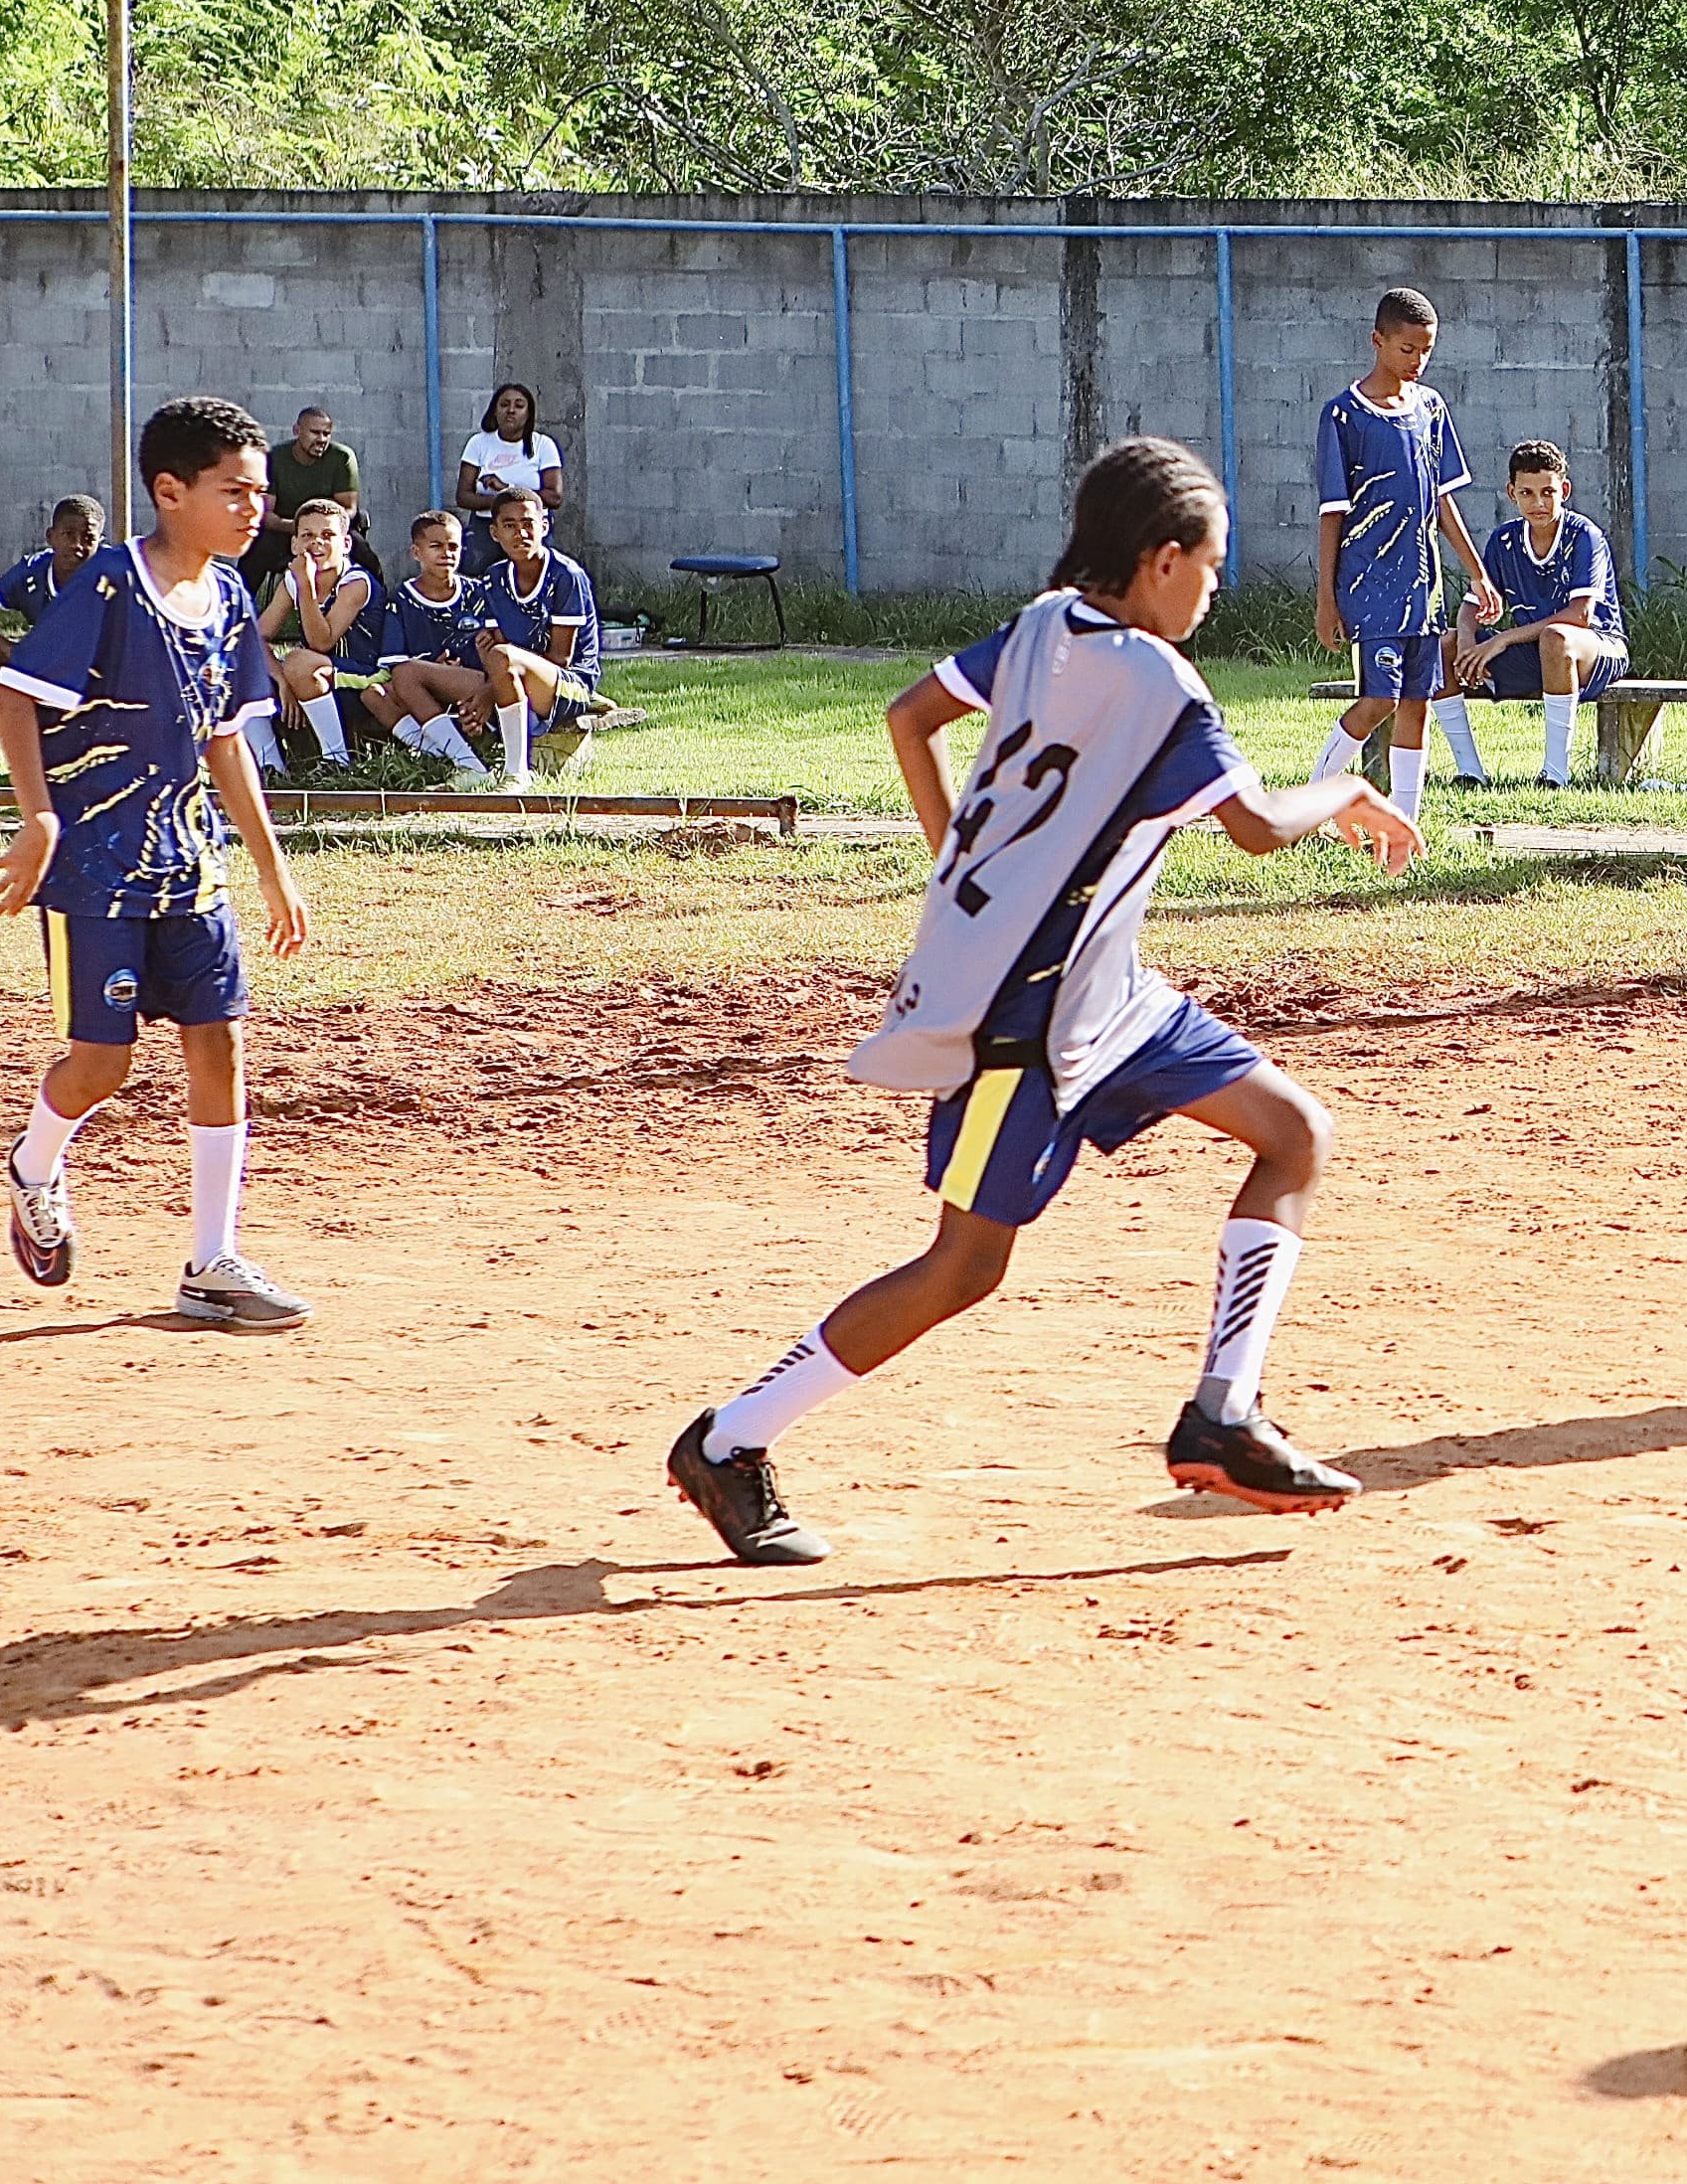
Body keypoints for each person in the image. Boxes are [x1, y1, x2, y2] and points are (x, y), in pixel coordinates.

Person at [665, 437, 1421, 1566]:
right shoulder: (1163, 683)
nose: (1215, 591)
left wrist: (958, 871)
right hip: (1022, 1015)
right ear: (1162, 562)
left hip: (1107, 992)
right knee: (964, 1266)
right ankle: (728, 1441)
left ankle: (1225, 1412)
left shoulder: (1036, 630)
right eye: (1210, 568)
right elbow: (1258, 829)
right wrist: (1355, 789)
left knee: (1293, 1133)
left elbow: (910, 716)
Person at [0, 396, 315, 1330]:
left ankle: (213, 1262)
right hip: (96, 871)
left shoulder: (236, 597)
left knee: (221, 1041)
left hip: (189, 863)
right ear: (170, 492)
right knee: (102, 1067)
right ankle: (34, 1164)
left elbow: (224, 741)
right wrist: (39, 819)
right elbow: (13, 695)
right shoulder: (114, 585)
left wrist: (273, 867)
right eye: (235, 491)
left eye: (262, 492)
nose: (256, 509)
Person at [1308, 288, 1497, 827]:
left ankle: (1405, 825)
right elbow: (1332, 512)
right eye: (1408, 349)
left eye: (1427, 351)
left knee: (1418, 701)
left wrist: (1478, 574)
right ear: (1379, 341)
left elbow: (1443, 501)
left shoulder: (1431, 409)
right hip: (1368, 586)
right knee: (1380, 701)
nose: (1417, 361)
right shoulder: (1344, 417)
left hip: (1423, 585)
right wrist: (1327, 599)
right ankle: (1312, 802)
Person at [1452, 440, 1627, 789]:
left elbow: (1580, 615)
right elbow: (1473, 603)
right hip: (1538, 652)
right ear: (1511, 493)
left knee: (1557, 637)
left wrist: (1502, 639)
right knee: (1442, 646)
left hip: (1596, 647)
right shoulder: (1504, 540)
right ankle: (1469, 772)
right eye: (1527, 493)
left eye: (1547, 492)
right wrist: (1466, 640)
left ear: (1564, 490)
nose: (1538, 503)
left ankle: (1555, 773)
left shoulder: (1584, 536)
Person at [0, 494, 102, 778]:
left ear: (100, 542)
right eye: (68, 535)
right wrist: (11, 651)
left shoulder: (112, 576)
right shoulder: (32, 571)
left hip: (94, 684)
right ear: (51, 537)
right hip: (41, 676)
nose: (77, 545)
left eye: (88, 538)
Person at [463, 488, 607, 790]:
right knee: (413, 673)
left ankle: (517, 771)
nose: (521, 533)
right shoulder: (493, 578)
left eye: (528, 523)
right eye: (510, 525)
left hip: (568, 683)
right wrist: (493, 680)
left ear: (545, 525)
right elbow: (497, 646)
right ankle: (465, 764)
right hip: (514, 673)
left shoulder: (566, 575)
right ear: (494, 533)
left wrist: (492, 686)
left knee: (501, 658)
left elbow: (561, 658)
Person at [364, 511, 496, 774]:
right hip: (421, 688)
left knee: (408, 675)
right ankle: (439, 755)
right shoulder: (402, 599)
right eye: (436, 546)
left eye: (453, 546)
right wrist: (433, 668)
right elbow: (394, 661)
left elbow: (499, 647)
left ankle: (469, 763)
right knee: (374, 694)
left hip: (476, 684)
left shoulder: (479, 592)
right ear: (416, 552)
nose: (446, 553)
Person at [253, 498, 376, 769]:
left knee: (299, 661)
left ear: (346, 544)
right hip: (314, 678)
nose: (316, 543)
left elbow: (322, 642)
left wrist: (306, 583)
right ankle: (271, 767)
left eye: (328, 535)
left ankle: (337, 761)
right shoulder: (294, 581)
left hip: (364, 677)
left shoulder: (356, 583)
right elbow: (256, 638)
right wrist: (282, 680)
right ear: (294, 544)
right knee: (239, 666)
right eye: (307, 535)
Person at [243, 405, 366, 599]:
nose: (322, 440)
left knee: (364, 554)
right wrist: (299, 529)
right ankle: (237, 613)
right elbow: (266, 514)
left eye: (326, 434)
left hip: (329, 531)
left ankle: (380, 611)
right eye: (315, 432)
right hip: (286, 532)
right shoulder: (275, 458)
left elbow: (349, 509)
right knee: (254, 555)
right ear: (297, 431)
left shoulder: (342, 457)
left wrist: (324, 528)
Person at [453, 382, 565, 555]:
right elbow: (463, 497)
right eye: (504, 405)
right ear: (495, 411)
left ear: (529, 413)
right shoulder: (478, 443)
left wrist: (507, 490)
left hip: (531, 530)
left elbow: (554, 497)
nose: (511, 410)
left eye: (519, 406)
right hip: (487, 529)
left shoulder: (543, 444)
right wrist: (503, 503)